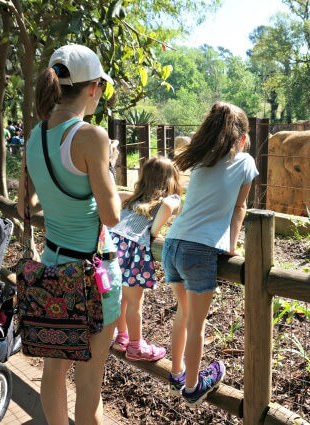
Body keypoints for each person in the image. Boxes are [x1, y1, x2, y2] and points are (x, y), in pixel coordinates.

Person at [16, 43, 120, 425]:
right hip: (93, 278)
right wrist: (106, 166)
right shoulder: (91, 137)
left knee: (54, 372)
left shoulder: (34, 137)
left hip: (53, 270)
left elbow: (23, 207)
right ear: (92, 88)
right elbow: (110, 215)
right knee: (90, 384)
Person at [162, 102, 258, 406]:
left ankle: (177, 371)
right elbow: (239, 208)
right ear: (241, 138)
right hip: (199, 251)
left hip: (172, 243)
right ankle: (192, 387)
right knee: (197, 325)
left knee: (183, 312)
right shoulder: (245, 163)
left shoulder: (200, 161)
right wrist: (231, 247)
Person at [110, 156, 182, 361]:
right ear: (170, 180)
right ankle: (135, 346)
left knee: (121, 299)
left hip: (111, 250)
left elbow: (114, 194)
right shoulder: (165, 201)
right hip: (131, 253)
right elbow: (169, 205)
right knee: (134, 303)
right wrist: (155, 231)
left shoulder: (133, 199)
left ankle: (122, 336)